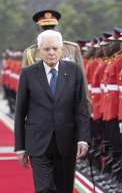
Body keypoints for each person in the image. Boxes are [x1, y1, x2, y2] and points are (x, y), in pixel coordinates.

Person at [14, 30, 90, 193]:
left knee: (64, 188)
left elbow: (81, 108)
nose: (51, 53)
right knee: (44, 188)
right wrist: (20, 147)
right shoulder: (28, 73)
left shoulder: (73, 70)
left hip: (66, 141)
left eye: (55, 48)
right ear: (39, 51)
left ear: (61, 49)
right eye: (47, 49)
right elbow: (20, 112)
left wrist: (83, 139)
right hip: (38, 142)